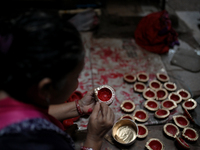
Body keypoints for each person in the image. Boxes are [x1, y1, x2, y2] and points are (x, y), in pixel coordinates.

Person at [0, 10, 115, 150]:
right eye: (76, 77)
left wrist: (78, 107)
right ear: (46, 88)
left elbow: (27, 111)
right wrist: (94, 139)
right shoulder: (37, 141)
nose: (77, 83)